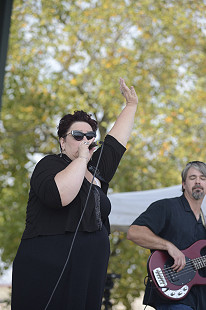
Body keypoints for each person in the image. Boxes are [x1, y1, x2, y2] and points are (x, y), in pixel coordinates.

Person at [11, 78, 138, 310]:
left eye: (90, 137)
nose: (85, 141)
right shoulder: (49, 165)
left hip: (89, 268)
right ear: (62, 141)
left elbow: (115, 144)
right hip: (48, 266)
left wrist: (130, 106)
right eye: (77, 136)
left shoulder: (95, 170)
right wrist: (81, 158)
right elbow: (61, 196)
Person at [127, 161, 206, 310]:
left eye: (203, 178)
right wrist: (169, 246)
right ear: (183, 184)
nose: (198, 182)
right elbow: (134, 232)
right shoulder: (166, 207)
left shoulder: (203, 220)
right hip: (173, 299)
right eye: (192, 177)